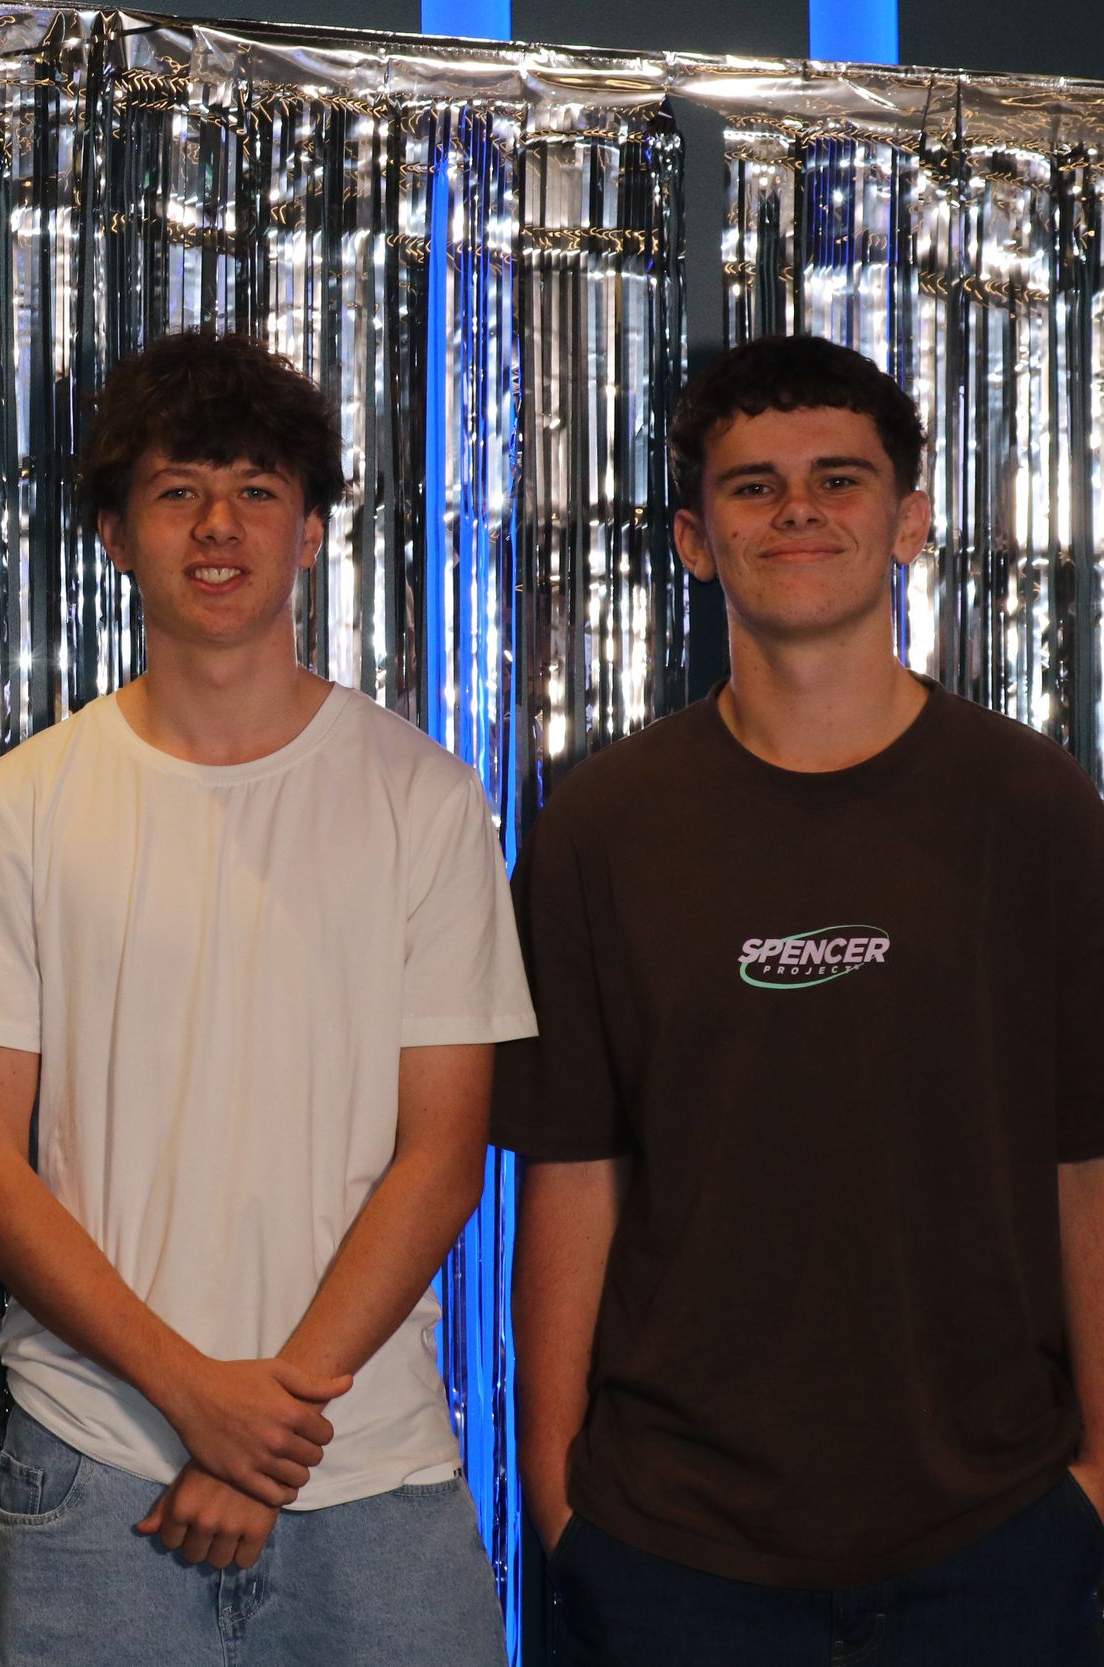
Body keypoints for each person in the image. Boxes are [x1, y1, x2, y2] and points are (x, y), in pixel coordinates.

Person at [498, 333, 1104, 1664]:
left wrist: (1097, 1483)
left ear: (911, 522)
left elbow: (1088, 1165)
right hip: (673, 1546)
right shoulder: (604, 826)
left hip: (996, 1530)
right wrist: (560, 1503)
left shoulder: (1037, 810)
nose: (797, 511)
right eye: (754, 486)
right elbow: (572, 1175)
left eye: (839, 479)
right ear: (693, 542)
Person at [0, 329, 533, 1666]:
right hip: (96, 1467)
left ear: (310, 532)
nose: (219, 527)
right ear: (114, 535)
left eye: (258, 491)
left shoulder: (424, 799)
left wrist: (264, 1431)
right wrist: (193, 1399)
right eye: (178, 492)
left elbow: (443, 1153)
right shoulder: (20, 806)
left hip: (367, 1469)